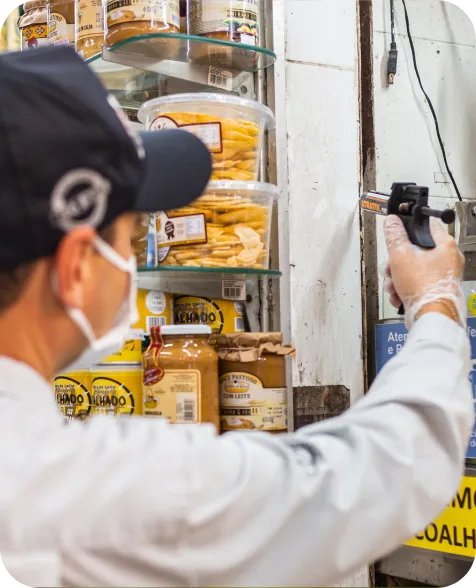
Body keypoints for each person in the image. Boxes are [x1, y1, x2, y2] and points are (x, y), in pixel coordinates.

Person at [0, 46, 472, 588]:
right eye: (130, 234)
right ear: (78, 268)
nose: (134, 257)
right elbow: (383, 471)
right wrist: (435, 303)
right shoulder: (87, 490)